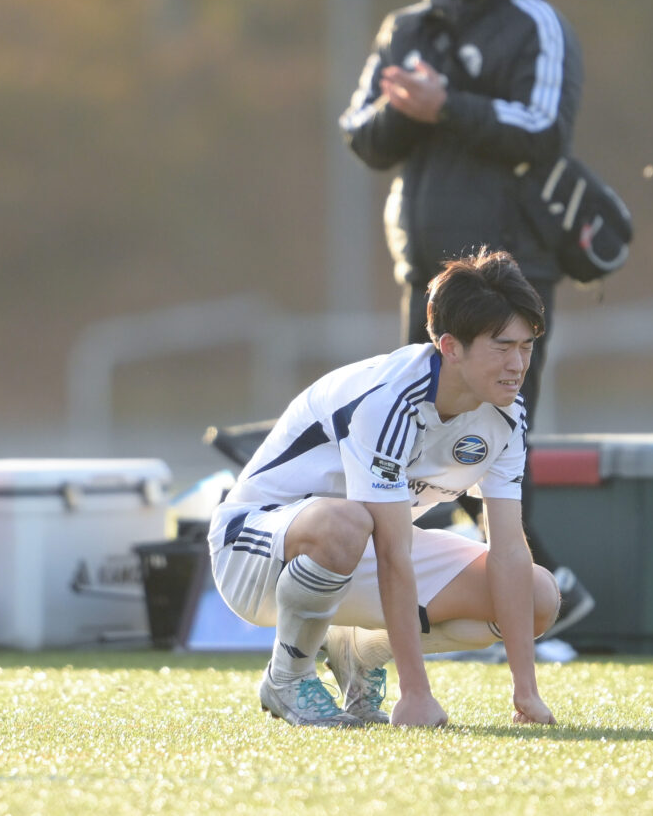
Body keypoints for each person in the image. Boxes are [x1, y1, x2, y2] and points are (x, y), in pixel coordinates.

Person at [338, 0, 591, 639]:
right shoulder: (407, 30)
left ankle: (538, 602)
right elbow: (362, 135)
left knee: (496, 441)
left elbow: (544, 128)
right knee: (416, 445)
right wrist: (411, 109)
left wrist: (448, 104)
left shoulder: (534, 21)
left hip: (511, 279)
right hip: (429, 281)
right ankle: (479, 603)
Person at [206, 249, 560, 728]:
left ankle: (358, 650)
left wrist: (526, 693)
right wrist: (416, 694)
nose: (517, 364)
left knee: (538, 596)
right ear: (451, 347)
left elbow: (509, 551)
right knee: (347, 520)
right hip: (251, 552)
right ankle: (287, 678)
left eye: (526, 346)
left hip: (361, 550)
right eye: (502, 347)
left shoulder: (507, 415)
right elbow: (394, 552)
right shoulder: (389, 400)